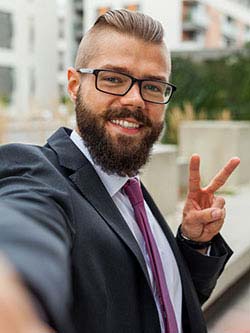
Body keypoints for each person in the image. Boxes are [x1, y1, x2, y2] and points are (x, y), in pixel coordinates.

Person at [0, 9, 240, 333]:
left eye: (153, 87)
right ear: (74, 85)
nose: (135, 100)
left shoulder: (129, 186)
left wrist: (194, 242)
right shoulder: (38, 174)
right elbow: (22, 231)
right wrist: (16, 296)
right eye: (113, 79)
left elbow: (160, 302)